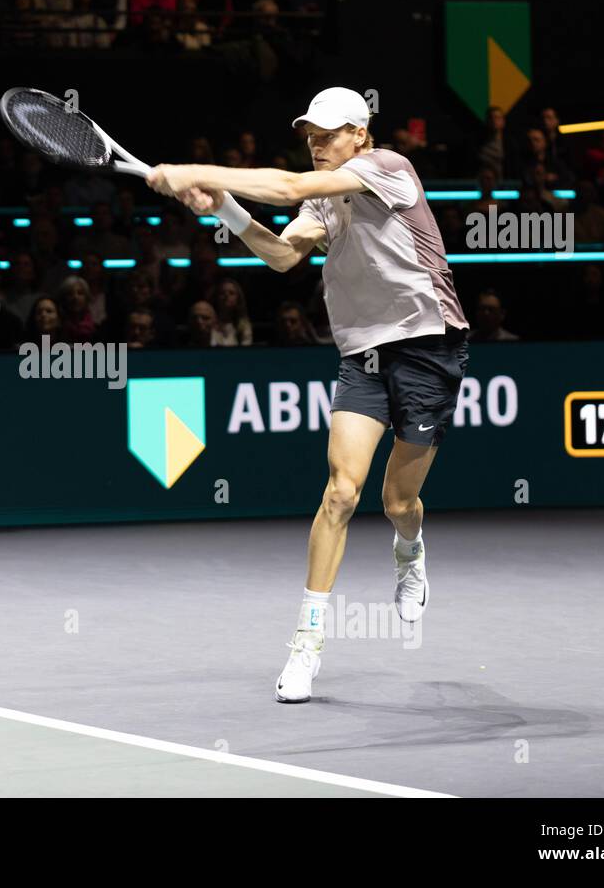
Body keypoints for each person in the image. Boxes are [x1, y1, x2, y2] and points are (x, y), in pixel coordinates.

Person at [147, 86, 470, 703]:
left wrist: (194, 171)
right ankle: (306, 647)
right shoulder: (327, 199)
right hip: (363, 356)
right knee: (340, 494)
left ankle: (409, 548)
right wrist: (224, 208)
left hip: (429, 346)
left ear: (360, 135)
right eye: (310, 135)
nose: (317, 144)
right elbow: (279, 256)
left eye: (329, 134)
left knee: (398, 500)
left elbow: (292, 189)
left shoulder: (389, 170)